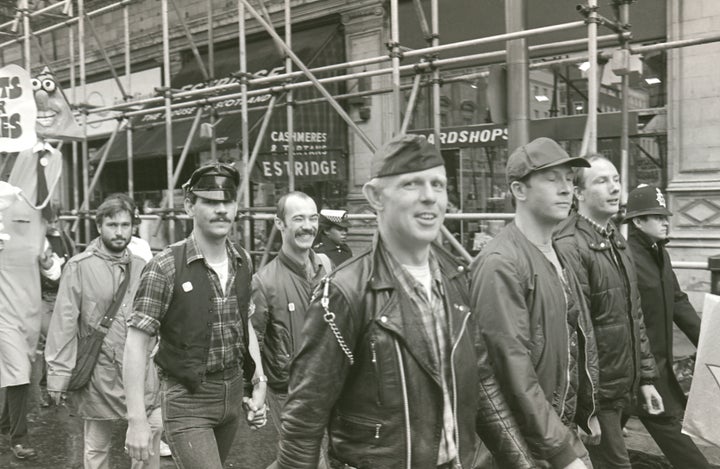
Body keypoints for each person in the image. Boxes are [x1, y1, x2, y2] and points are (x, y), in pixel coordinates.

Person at [272, 134, 534, 469]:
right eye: (412, 184)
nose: (430, 197)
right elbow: (304, 421)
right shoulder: (343, 291)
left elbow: (483, 386)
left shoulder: (458, 277)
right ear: (375, 197)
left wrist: (524, 463)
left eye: (438, 185)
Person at [124, 163, 267, 469]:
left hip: (231, 396)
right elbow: (136, 344)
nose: (222, 210)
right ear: (190, 206)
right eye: (211, 202)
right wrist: (137, 420)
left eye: (228, 202)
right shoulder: (165, 266)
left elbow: (246, 326)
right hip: (187, 399)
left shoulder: (242, 260)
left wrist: (259, 382)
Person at [471, 137, 599, 469]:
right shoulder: (501, 262)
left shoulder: (557, 253)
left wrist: (586, 411)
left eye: (569, 179)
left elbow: (575, 340)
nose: (566, 189)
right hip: (525, 447)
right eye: (551, 179)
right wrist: (560, 451)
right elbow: (511, 369)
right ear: (519, 190)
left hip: (555, 433)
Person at [554, 155, 664, 469]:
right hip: (598, 396)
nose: (614, 188)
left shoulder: (615, 238)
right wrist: (586, 411)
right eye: (602, 181)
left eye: (616, 179)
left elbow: (634, 314)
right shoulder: (570, 245)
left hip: (620, 387)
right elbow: (575, 333)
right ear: (578, 193)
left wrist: (644, 379)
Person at [44, 194, 162, 469]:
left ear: (133, 227)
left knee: (151, 432)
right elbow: (63, 324)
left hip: (140, 370)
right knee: (97, 446)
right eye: (112, 225)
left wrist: (161, 342)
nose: (119, 232)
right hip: (100, 371)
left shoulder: (142, 267)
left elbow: (156, 315)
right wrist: (58, 376)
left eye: (125, 225)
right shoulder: (79, 266)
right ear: (99, 226)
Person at [622, 184, 711, 469]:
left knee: (606, 434)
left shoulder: (659, 253)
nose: (665, 221)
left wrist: (709, 341)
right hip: (635, 368)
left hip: (656, 365)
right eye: (657, 216)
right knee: (667, 424)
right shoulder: (626, 258)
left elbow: (678, 301)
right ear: (637, 221)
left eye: (666, 216)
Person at [252, 191, 332, 468]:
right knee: (308, 460)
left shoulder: (327, 267)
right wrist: (257, 390)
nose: (308, 226)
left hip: (328, 385)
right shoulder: (263, 283)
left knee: (304, 460)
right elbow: (252, 344)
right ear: (280, 223)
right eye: (298, 218)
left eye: (313, 218)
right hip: (288, 391)